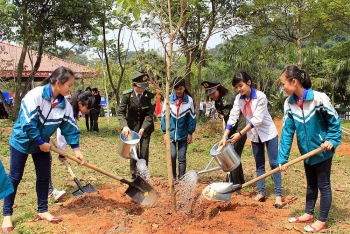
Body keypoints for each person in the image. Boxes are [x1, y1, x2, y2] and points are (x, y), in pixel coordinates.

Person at [2, 66, 85, 233]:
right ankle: (7, 215)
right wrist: (40, 141)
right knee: (15, 177)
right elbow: (28, 122)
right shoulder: (35, 95)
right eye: (69, 85)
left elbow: (69, 126)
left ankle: (43, 210)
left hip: (43, 145)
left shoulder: (64, 105)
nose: (70, 89)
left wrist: (76, 149)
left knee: (43, 176)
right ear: (58, 83)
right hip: (22, 141)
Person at [278, 65, 342, 232]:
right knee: (311, 183)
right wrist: (282, 159)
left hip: (322, 151)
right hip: (307, 152)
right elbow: (287, 131)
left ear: (294, 82)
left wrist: (331, 140)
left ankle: (321, 220)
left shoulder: (319, 99)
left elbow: (334, 123)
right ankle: (308, 213)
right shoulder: (289, 103)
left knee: (324, 185)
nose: (282, 87)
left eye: (283, 83)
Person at [219, 71, 283, 209]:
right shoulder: (238, 99)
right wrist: (225, 136)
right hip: (254, 135)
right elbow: (233, 117)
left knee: (273, 163)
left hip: (268, 133)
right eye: (236, 87)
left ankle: (278, 195)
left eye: (241, 85)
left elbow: (257, 120)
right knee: (259, 164)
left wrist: (240, 134)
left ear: (249, 82)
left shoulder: (261, 97)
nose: (239, 89)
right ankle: (261, 192)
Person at [48, 91, 95, 202]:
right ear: (80, 104)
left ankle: (49, 189)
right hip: (39, 132)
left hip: (47, 130)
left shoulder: (73, 111)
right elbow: (62, 134)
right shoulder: (67, 111)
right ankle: (49, 190)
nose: (88, 111)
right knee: (46, 160)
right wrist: (62, 152)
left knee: (47, 159)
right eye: (87, 108)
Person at [201, 79, 247, 184]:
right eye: (210, 94)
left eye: (213, 93)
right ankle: (239, 181)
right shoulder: (218, 100)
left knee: (232, 155)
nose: (211, 96)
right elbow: (225, 117)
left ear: (219, 89)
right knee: (234, 154)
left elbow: (237, 117)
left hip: (240, 127)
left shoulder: (229, 99)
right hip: (230, 129)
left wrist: (238, 133)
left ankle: (234, 183)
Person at [117, 72, 156, 180]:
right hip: (131, 127)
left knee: (144, 151)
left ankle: (143, 175)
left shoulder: (150, 95)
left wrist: (143, 128)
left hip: (146, 127)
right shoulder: (127, 95)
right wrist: (124, 126)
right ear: (134, 85)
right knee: (133, 151)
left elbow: (149, 114)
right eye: (140, 87)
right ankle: (134, 175)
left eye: (144, 87)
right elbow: (120, 112)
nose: (142, 90)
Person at [161, 77, 196, 180]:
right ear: (173, 89)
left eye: (180, 89)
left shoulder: (189, 101)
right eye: (176, 89)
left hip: (183, 134)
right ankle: (173, 178)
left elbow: (192, 118)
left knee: (182, 158)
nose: (178, 91)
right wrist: (164, 133)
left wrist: (190, 133)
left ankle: (181, 179)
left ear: (184, 88)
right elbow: (164, 116)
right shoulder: (168, 100)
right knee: (172, 155)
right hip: (171, 134)